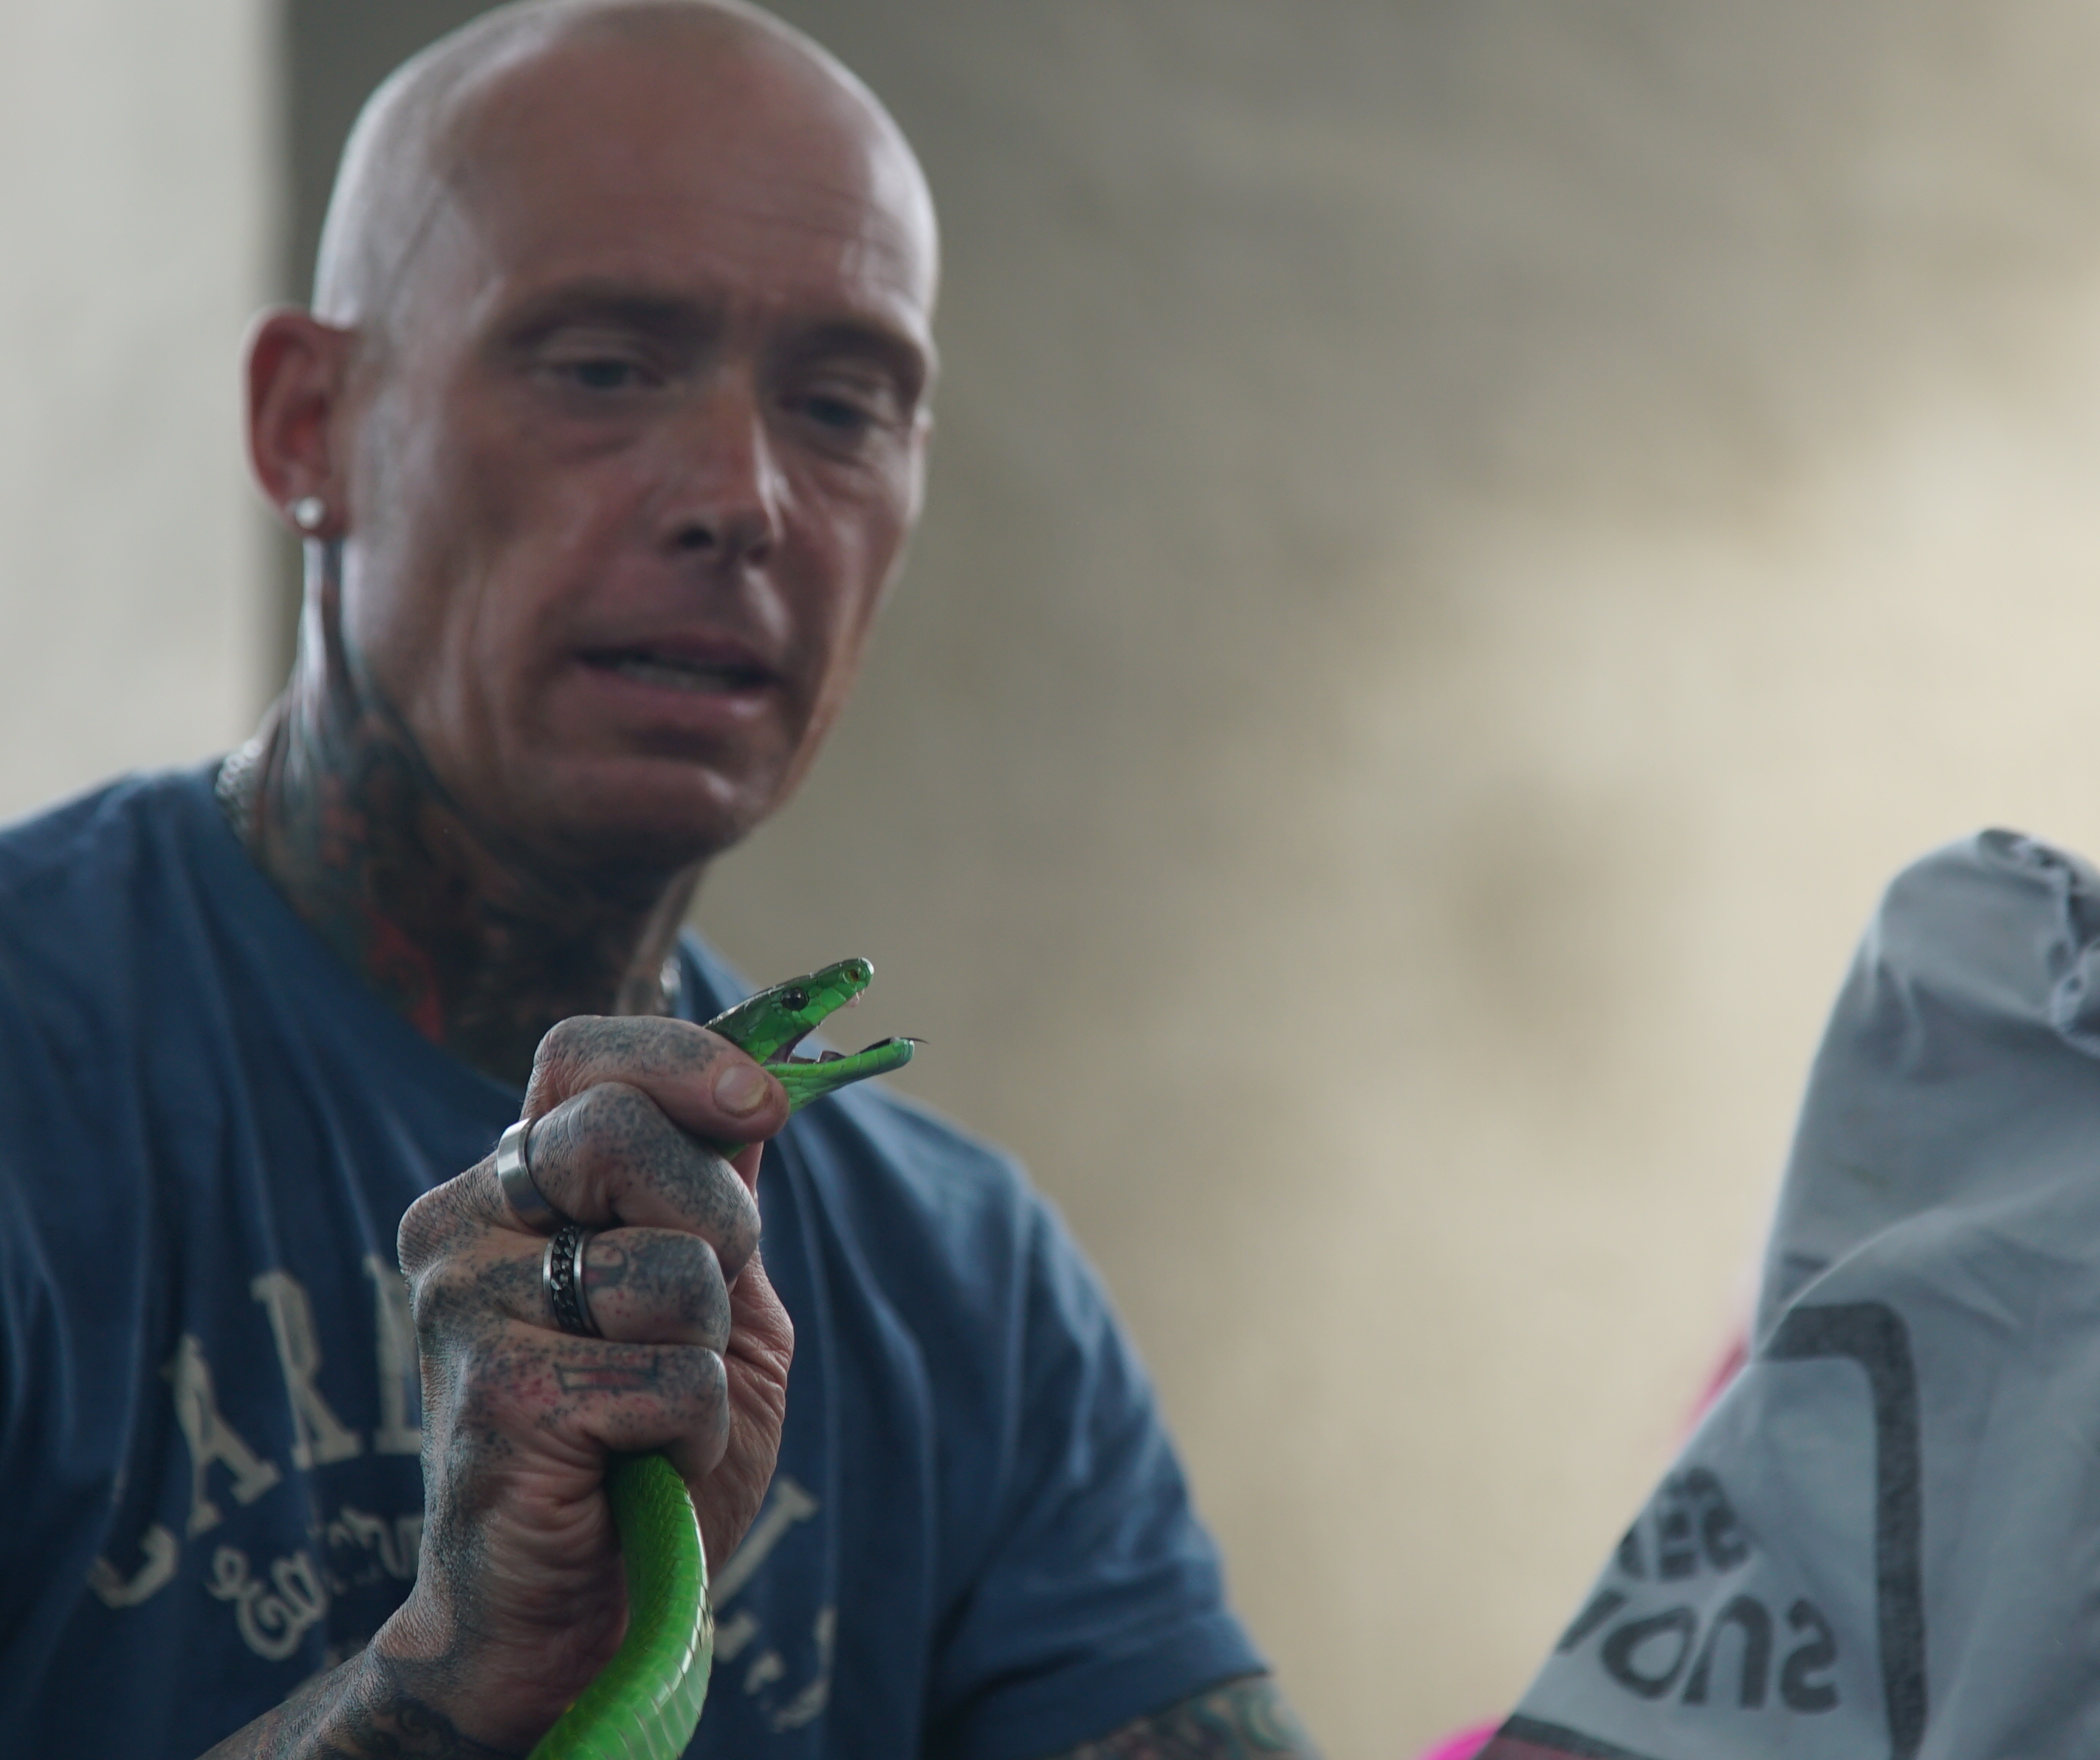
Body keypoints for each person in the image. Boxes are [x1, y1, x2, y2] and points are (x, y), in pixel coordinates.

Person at [0, 3, 1321, 1755]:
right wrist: (446, 1689)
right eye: (603, 369)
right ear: (309, 425)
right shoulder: (41, 1082)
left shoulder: (968, 1292)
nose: (741, 496)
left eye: (841, 405)